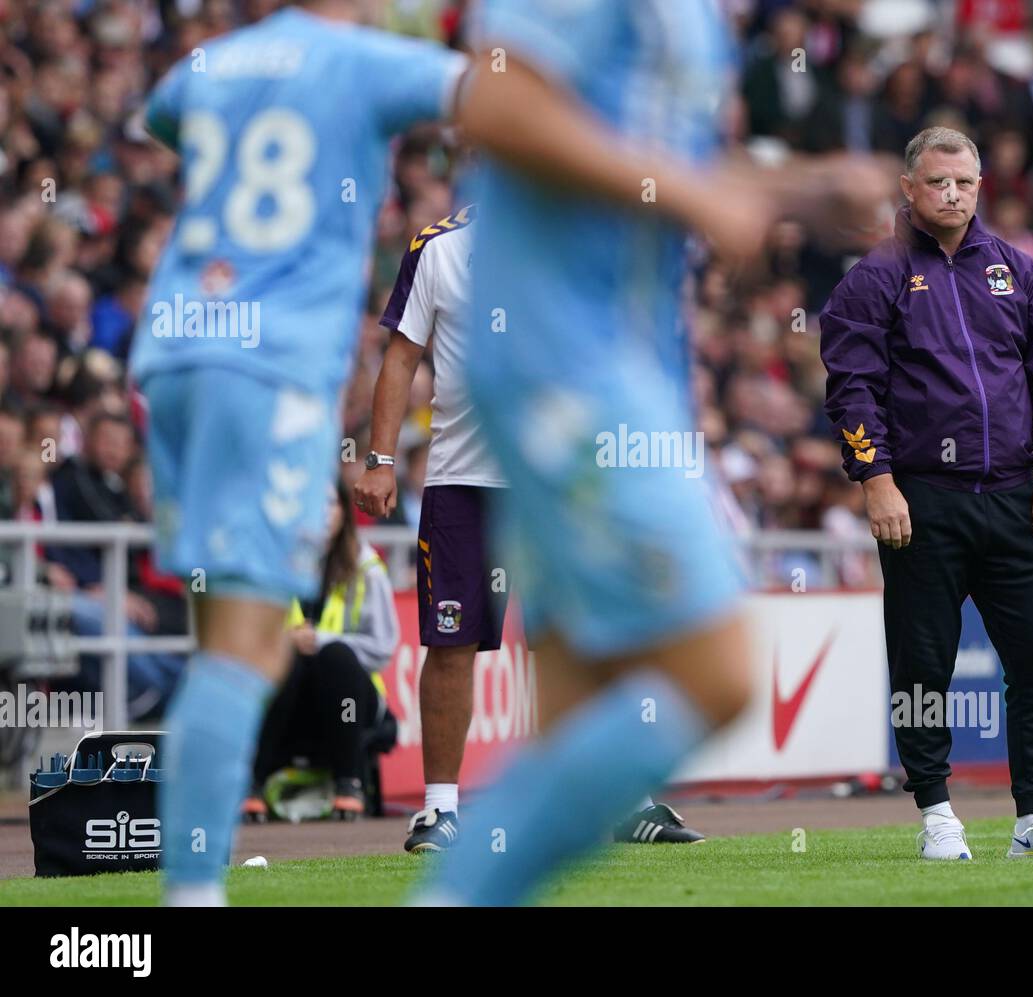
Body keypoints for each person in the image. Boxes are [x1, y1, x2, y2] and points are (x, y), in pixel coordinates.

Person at [406, 0, 887, 905]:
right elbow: (496, 105)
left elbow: (652, 160)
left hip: (619, 367)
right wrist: (700, 194)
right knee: (714, 676)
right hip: (563, 365)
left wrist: (799, 189)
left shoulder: (698, 19)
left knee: (576, 719)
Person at [126, 0, 466, 906]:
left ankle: (193, 878)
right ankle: (191, 894)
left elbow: (158, 119)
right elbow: (487, 98)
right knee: (246, 649)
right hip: (265, 366)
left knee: (229, 645)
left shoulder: (212, 61)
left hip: (173, 349)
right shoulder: (360, 60)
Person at [354, 204, 705, 850]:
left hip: (559, 480)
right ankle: (438, 808)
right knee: (453, 641)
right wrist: (378, 460)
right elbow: (401, 355)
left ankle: (620, 798)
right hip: (466, 478)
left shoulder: (576, 233)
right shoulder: (438, 247)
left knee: (591, 637)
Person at [820, 126, 1033, 860]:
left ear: (981, 187)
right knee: (923, 664)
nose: (953, 193)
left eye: (966, 182)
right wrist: (876, 480)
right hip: (922, 498)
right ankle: (936, 813)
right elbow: (851, 389)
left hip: (1017, 496)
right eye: (939, 181)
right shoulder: (874, 277)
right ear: (909, 188)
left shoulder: (1018, 268)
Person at [245, 480, 399, 820]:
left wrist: (321, 640)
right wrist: (288, 642)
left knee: (335, 657)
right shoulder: (273, 562)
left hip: (352, 697)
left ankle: (349, 784)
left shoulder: (367, 568)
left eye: (330, 503)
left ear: (344, 511)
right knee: (290, 661)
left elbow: (383, 647)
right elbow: (248, 637)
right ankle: (252, 786)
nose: (322, 512)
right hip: (289, 694)